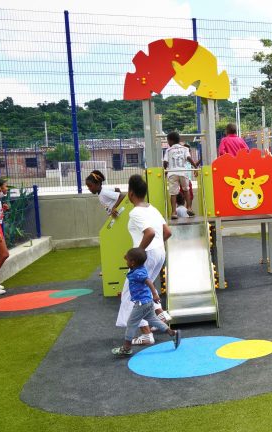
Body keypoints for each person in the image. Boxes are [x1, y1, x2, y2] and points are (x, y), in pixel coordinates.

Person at [116, 175, 173, 345]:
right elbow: (167, 232)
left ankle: (146, 333)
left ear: (131, 193)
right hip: (159, 252)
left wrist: (137, 254)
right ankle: (160, 312)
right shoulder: (152, 208)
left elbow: (149, 233)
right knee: (145, 288)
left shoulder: (135, 212)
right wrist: (154, 247)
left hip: (145, 255)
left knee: (131, 294)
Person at [112, 247, 181, 356]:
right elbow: (132, 262)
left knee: (131, 324)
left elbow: (148, 281)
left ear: (133, 262)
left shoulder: (137, 273)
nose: (126, 261)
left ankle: (126, 348)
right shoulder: (140, 267)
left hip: (141, 304)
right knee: (153, 320)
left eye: (128, 260)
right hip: (148, 302)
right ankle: (172, 333)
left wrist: (154, 293)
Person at [163, 132, 199, 219]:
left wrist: (165, 170)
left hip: (172, 173)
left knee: (173, 193)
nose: (168, 143)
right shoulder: (184, 149)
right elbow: (189, 158)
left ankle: (173, 212)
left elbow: (165, 162)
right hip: (183, 172)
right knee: (186, 190)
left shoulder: (168, 150)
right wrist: (195, 167)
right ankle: (189, 208)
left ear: (171, 141)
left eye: (168, 141)